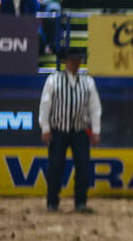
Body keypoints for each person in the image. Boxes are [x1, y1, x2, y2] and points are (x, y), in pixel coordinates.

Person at [39, 47, 102, 213]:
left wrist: (96, 130)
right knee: (55, 166)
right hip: (58, 130)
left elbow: (94, 107)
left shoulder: (88, 82)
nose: (75, 63)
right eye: (72, 60)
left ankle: (80, 202)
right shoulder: (53, 80)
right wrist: (45, 128)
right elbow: (45, 105)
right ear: (65, 61)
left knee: (83, 167)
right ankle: (52, 202)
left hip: (80, 131)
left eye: (78, 60)